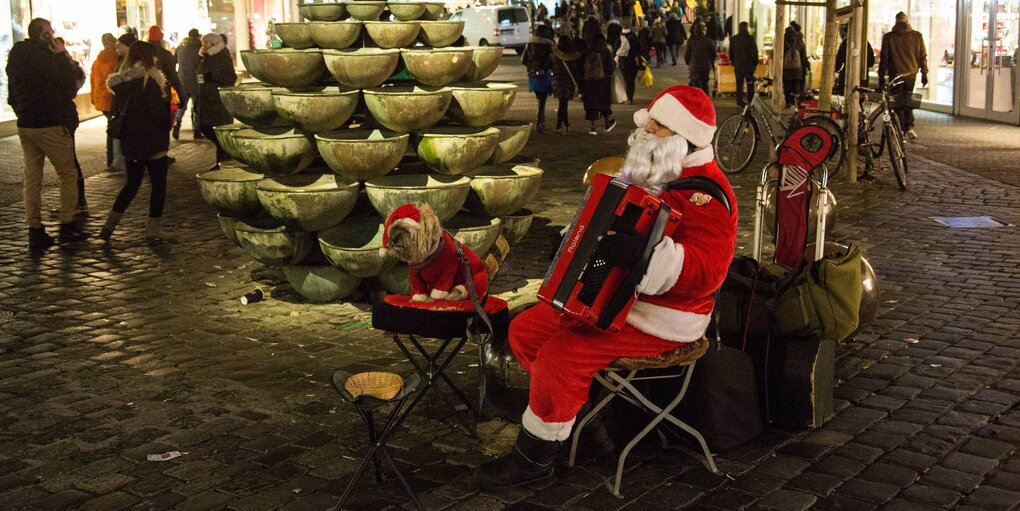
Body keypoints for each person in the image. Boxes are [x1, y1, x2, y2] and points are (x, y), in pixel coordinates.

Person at [476, 85, 737, 490]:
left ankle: (534, 458)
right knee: (524, 330)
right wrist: (572, 245)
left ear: (686, 137)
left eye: (659, 125)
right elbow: (606, 219)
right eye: (649, 120)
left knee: (563, 356)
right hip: (613, 300)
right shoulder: (651, 170)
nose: (646, 129)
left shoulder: (707, 195)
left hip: (663, 318)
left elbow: (708, 273)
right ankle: (582, 420)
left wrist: (645, 257)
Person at [7, 17, 89, 251]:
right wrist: (62, 54)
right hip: (51, 124)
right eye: (50, 32)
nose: (53, 35)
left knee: (32, 179)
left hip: (26, 125)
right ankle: (67, 225)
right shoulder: (46, 57)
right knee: (67, 174)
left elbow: (12, 93)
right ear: (44, 36)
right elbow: (67, 83)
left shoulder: (17, 56)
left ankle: (35, 230)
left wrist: (22, 110)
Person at [98, 42, 172, 242]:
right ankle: (153, 228)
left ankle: (109, 227)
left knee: (131, 184)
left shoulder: (120, 83)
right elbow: (157, 113)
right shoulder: (150, 80)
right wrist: (167, 122)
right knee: (158, 184)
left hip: (130, 141)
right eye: (154, 56)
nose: (156, 59)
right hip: (152, 140)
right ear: (149, 57)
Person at [878, 11, 927, 140]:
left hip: (896, 75)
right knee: (908, 100)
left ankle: (900, 129)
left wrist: (881, 76)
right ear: (907, 21)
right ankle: (910, 127)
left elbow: (884, 58)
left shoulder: (889, 37)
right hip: (911, 74)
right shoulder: (917, 36)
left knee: (898, 103)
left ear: (896, 22)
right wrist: (924, 73)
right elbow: (922, 56)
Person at [195, 33, 236, 169]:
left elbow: (230, 77)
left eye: (206, 42)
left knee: (217, 131)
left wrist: (211, 78)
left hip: (217, 101)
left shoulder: (222, 56)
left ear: (214, 44)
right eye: (203, 42)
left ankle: (223, 161)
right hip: (206, 99)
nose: (204, 45)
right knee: (206, 128)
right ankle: (224, 158)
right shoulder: (206, 57)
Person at [91, 33, 120, 170]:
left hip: (101, 98)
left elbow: (93, 81)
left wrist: (93, 97)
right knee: (113, 128)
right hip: (110, 99)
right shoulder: (112, 59)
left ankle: (112, 158)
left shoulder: (98, 60)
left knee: (111, 126)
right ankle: (113, 158)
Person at [580, 32, 617, 135]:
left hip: (588, 83)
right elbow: (611, 66)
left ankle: (593, 128)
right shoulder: (605, 51)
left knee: (591, 105)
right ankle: (607, 123)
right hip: (603, 82)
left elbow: (580, 67)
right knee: (604, 103)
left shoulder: (587, 52)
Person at [522, 24, 555, 133]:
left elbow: (523, 60)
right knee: (543, 99)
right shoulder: (549, 45)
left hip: (532, 74)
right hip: (544, 74)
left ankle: (541, 120)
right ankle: (539, 122)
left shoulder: (530, 44)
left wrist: (531, 67)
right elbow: (551, 61)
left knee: (539, 98)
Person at [174, 28, 203, 140]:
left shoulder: (180, 46)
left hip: (182, 80)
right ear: (197, 36)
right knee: (196, 107)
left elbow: (174, 61)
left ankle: (177, 123)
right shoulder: (199, 47)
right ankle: (196, 130)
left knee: (182, 105)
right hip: (196, 81)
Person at [834, 23, 875, 94]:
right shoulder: (865, 44)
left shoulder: (845, 43)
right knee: (860, 96)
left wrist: (837, 70)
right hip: (862, 76)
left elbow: (839, 60)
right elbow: (871, 62)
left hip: (846, 76)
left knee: (845, 96)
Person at [551, 36, 581, 133]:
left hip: (558, 81)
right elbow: (576, 70)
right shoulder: (574, 56)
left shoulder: (556, 56)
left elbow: (552, 67)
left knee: (562, 104)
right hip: (568, 81)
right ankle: (562, 125)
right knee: (563, 104)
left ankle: (562, 125)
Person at [728, 22, 758, 107]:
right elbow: (754, 52)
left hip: (738, 65)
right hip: (749, 66)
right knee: (750, 84)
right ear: (747, 28)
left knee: (739, 84)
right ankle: (750, 101)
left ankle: (739, 101)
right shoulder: (751, 38)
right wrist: (755, 63)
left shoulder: (734, 39)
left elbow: (731, 53)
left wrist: (734, 62)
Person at [683, 22, 715, 95]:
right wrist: (710, 61)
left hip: (694, 66)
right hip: (705, 66)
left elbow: (687, 54)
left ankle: (696, 100)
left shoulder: (691, 41)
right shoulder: (708, 40)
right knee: (705, 83)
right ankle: (706, 99)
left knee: (695, 85)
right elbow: (713, 54)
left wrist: (688, 62)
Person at [781, 24, 809, 108]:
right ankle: (795, 102)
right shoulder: (800, 43)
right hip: (797, 70)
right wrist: (806, 66)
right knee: (796, 85)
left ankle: (788, 102)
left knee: (787, 86)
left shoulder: (782, 43)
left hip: (786, 69)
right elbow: (803, 57)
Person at [616, 26, 642, 105]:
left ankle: (628, 97)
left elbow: (615, 50)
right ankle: (630, 97)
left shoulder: (620, 39)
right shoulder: (635, 39)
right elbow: (640, 50)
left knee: (627, 80)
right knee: (631, 80)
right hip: (634, 63)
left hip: (624, 62)